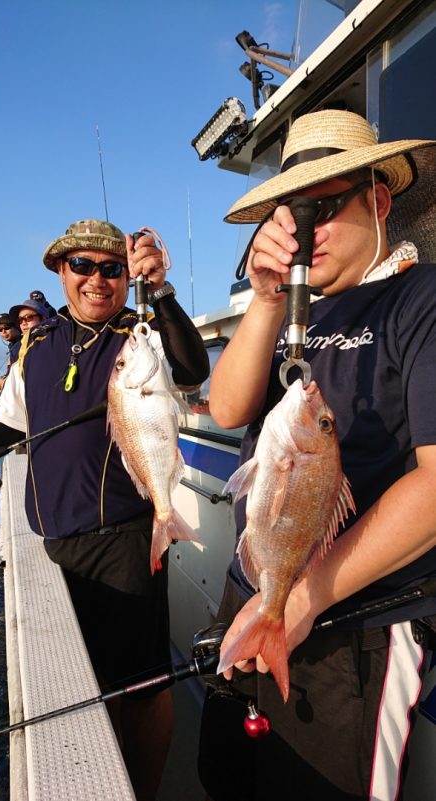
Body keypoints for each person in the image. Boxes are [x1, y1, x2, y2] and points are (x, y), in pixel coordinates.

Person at [198, 110, 436, 801]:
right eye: (291, 212)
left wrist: (301, 599)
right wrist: (268, 297)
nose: (307, 231)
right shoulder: (294, 312)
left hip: (352, 635)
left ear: (380, 199)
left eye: (325, 207)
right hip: (251, 601)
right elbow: (228, 408)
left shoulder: (418, 300)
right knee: (229, 777)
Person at [0, 218, 209, 801]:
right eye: (82, 266)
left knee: (143, 687)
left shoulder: (139, 337)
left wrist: (158, 290)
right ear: (61, 272)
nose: (96, 279)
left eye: (111, 269)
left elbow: (191, 370)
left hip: (126, 544)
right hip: (55, 546)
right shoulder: (36, 346)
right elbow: (3, 427)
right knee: (84, 681)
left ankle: (145, 790)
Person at [0, 312, 21, 392]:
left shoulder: (21, 345)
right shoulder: (14, 346)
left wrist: (5, 379)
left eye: (6, 327)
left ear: (16, 327)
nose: (3, 331)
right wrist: (4, 377)